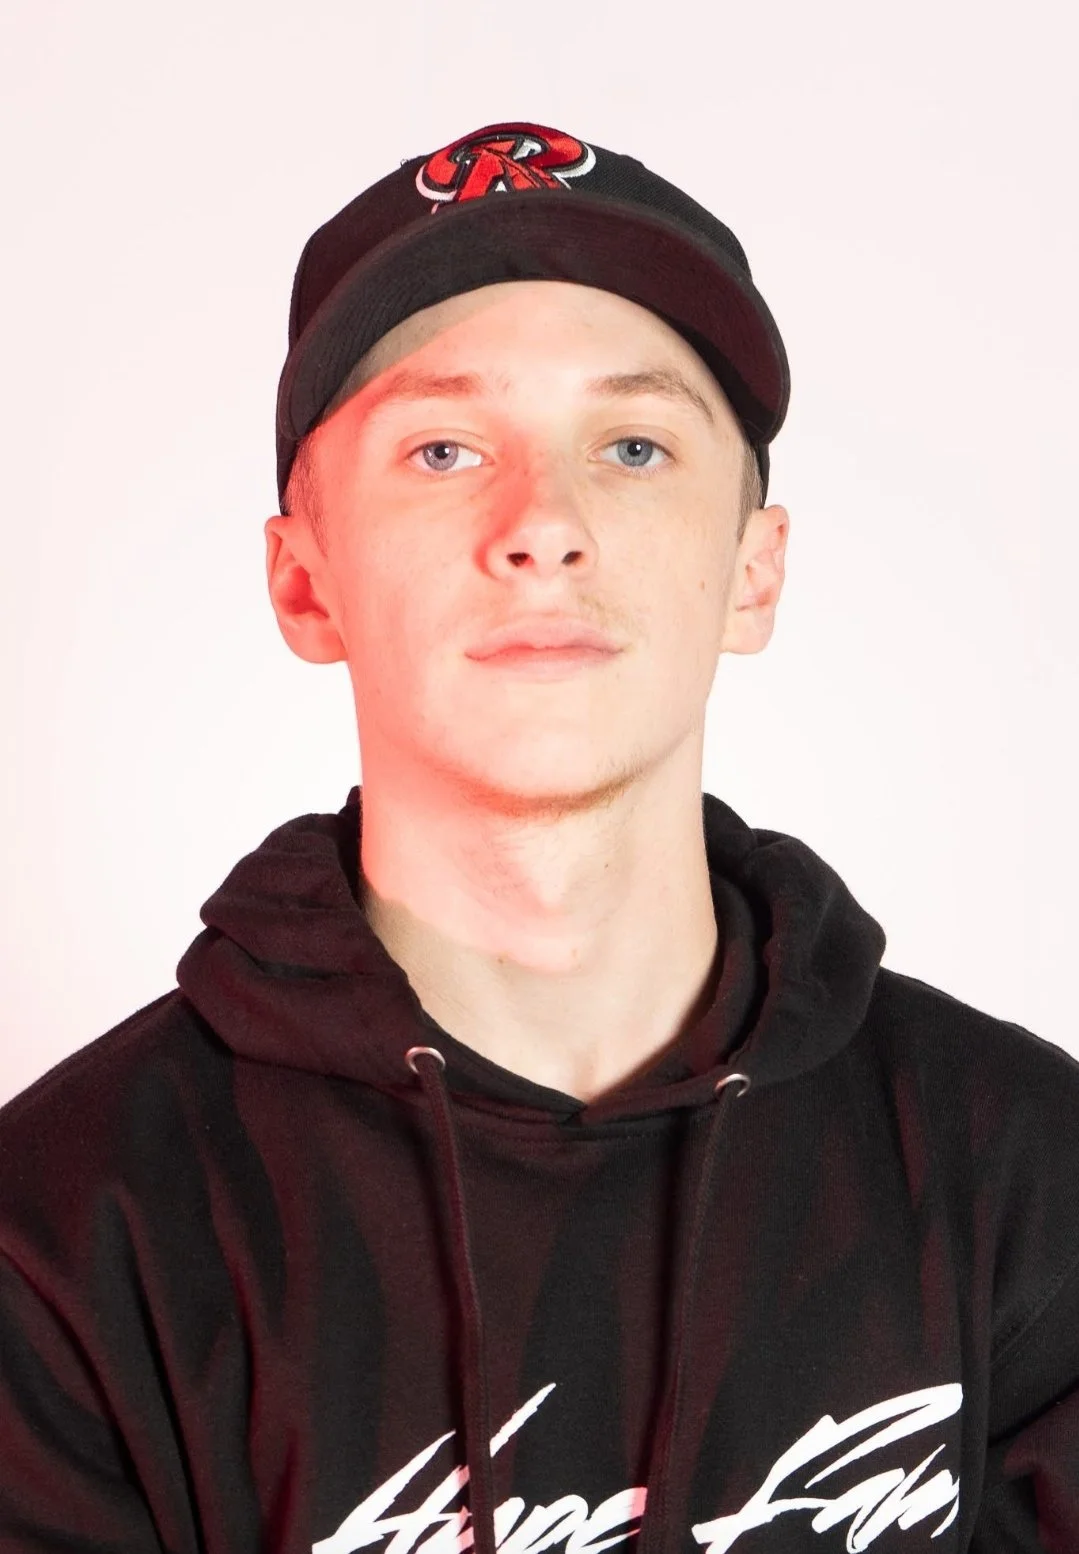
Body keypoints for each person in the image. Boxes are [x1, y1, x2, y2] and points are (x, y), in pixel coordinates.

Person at [0, 120, 1076, 1554]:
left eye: (632, 445)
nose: (542, 522)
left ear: (751, 569)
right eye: (443, 448)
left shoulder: (1026, 1172)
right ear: (304, 580)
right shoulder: (62, 1234)